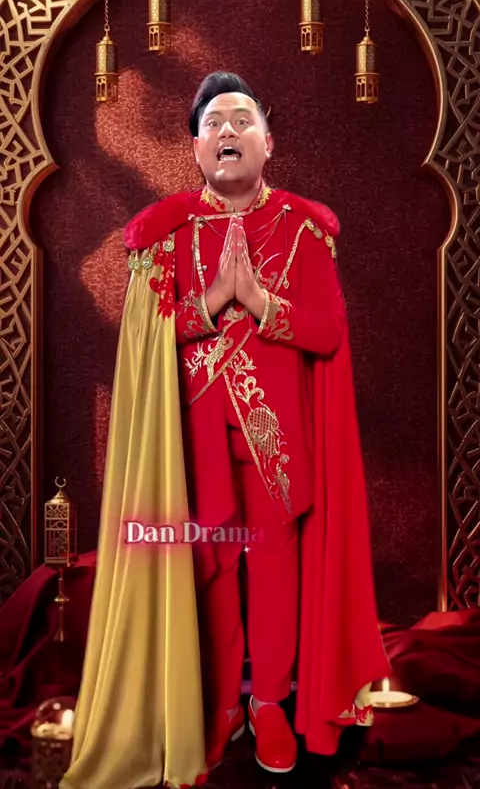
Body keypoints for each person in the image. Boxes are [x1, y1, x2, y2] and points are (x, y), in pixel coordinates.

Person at [62, 72, 390, 789]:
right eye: (213, 123)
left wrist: (262, 303)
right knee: (207, 567)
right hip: (194, 440)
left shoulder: (303, 229)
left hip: (279, 443)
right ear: (195, 148)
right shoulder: (164, 234)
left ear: (269, 143)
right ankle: (216, 706)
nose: (228, 132)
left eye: (242, 120)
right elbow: (144, 339)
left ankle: (269, 704)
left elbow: (329, 332)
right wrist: (214, 300)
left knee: (273, 569)